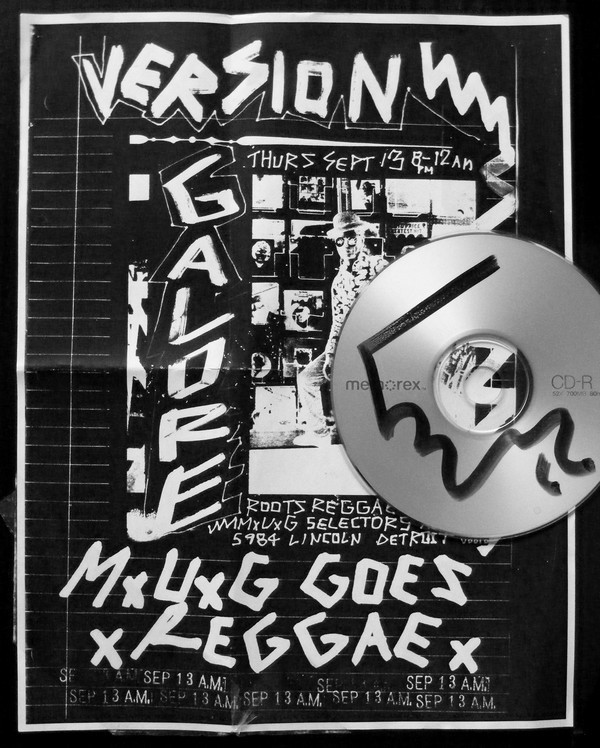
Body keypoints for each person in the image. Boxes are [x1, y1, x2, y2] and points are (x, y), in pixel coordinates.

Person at [293, 211, 387, 447]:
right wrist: (330, 355)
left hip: (378, 346)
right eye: (340, 241)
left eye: (352, 238)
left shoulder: (379, 267)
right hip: (347, 346)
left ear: (361, 237)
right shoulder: (339, 281)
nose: (347, 245)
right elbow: (337, 322)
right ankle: (320, 434)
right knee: (307, 378)